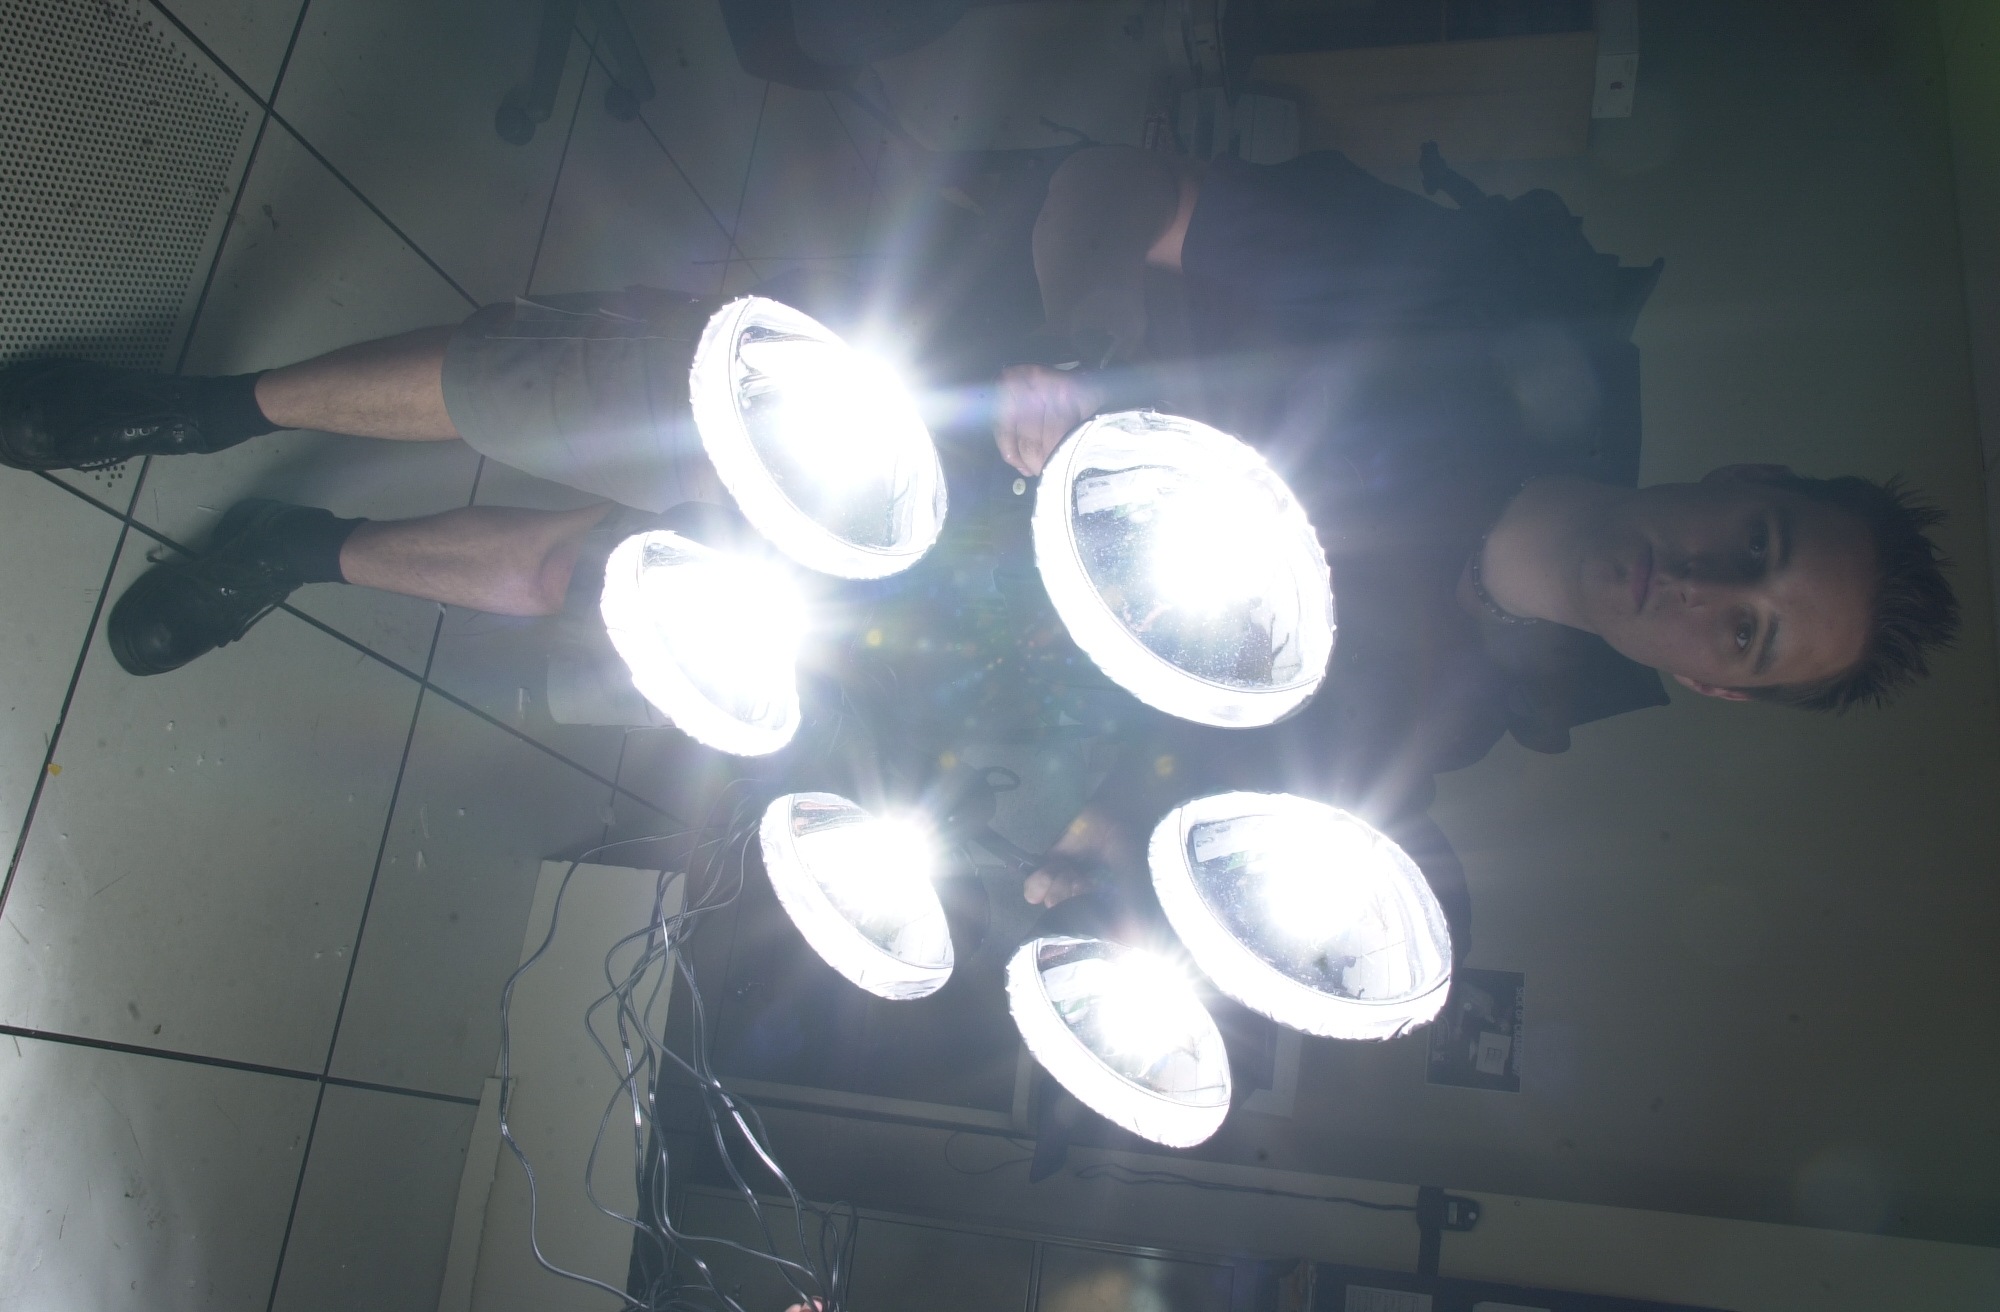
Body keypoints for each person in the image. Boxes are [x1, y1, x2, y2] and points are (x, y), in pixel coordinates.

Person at [0, 145, 1960, 947]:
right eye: (1756, 543)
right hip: (922, 411)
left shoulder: (1447, 724)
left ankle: (296, 560)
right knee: (553, 391)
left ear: (1716, 686)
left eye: (1752, 631)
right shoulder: (1470, 337)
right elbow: (1122, 192)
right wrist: (1088, 350)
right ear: (1741, 473)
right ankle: (215, 410)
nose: (1711, 589)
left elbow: (1182, 777)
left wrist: (1085, 852)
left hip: (933, 630)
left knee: (583, 583)